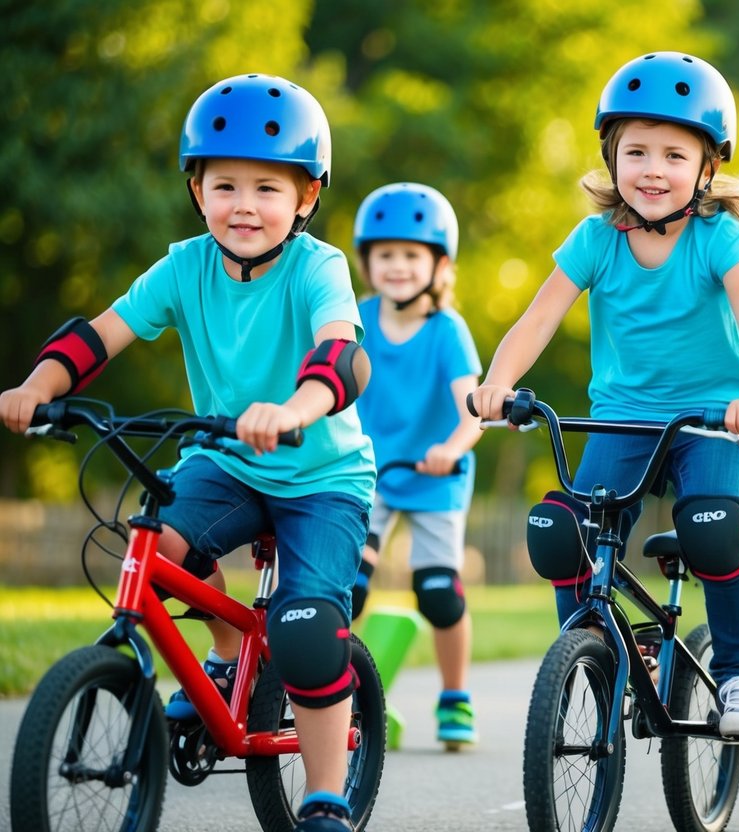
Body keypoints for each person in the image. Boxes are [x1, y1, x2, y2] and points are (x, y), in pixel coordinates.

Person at [0, 73, 376, 832]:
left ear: (305, 198)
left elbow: (341, 355)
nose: (244, 205)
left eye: (267, 188)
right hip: (226, 460)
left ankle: (327, 796)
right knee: (152, 545)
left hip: (321, 475)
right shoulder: (184, 266)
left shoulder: (317, 268)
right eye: (224, 184)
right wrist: (37, 385)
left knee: (305, 628)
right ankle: (230, 645)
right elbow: (100, 333)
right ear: (195, 189)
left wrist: (295, 409)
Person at [470, 51, 739, 738]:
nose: (651, 169)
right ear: (611, 158)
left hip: (710, 420)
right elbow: (538, 318)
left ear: (706, 169)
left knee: (714, 525)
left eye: (673, 155)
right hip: (623, 420)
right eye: (635, 151)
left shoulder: (717, 237)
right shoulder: (594, 239)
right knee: (561, 530)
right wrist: (497, 385)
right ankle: (600, 651)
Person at [350, 182, 484, 749]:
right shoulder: (356, 318)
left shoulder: (447, 330)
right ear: (367, 261)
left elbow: (474, 412)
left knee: (438, 593)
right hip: (367, 472)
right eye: (385, 254)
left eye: (411, 255)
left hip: (434, 476)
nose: (397, 267)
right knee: (345, 584)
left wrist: (451, 448)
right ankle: (330, 690)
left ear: (438, 262)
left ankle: (455, 696)